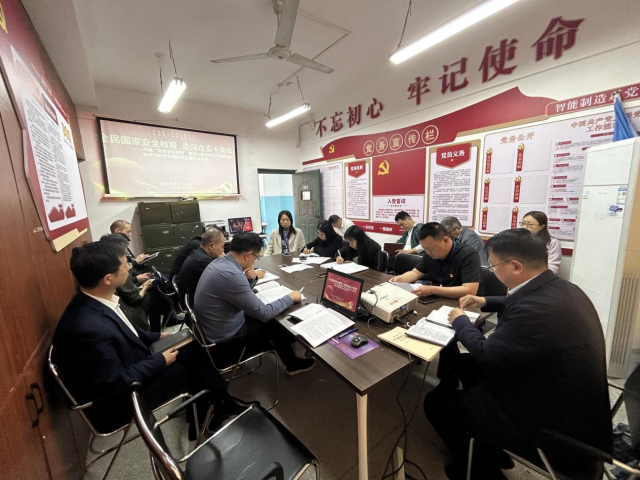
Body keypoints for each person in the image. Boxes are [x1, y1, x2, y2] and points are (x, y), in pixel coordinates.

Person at [424, 229, 611, 479]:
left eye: (493, 266)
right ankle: (489, 446)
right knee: (465, 363)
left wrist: (461, 322)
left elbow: (486, 354)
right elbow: (520, 302)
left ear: (515, 267)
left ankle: (482, 471)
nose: (491, 271)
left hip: (550, 424)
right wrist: (485, 301)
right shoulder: (563, 288)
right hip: (560, 393)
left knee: (436, 404)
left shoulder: (534, 312)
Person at [52, 241, 253, 436]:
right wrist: (160, 360)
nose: (130, 267)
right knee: (190, 369)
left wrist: (158, 336)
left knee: (192, 347)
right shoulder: (86, 328)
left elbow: (130, 332)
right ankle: (210, 414)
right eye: (125, 265)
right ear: (107, 278)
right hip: (120, 399)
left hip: (132, 363)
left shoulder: (98, 299)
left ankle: (219, 404)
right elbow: (115, 383)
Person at [194, 232, 316, 376]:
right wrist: (290, 297)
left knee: (269, 314)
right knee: (272, 322)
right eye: (256, 258)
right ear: (247, 255)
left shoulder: (220, 263)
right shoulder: (232, 275)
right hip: (225, 342)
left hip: (213, 328)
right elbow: (264, 313)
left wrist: (250, 279)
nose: (254, 262)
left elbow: (236, 293)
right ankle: (292, 363)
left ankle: (290, 345)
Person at [101, 234, 173, 332]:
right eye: (125, 248)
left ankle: (166, 318)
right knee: (155, 292)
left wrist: (136, 278)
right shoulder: (116, 270)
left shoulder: (110, 263)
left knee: (156, 283)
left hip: (127, 296)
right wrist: (145, 286)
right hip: (128, 305)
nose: (127, 252)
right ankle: (162, 322)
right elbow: (135, 298)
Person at [390, 222, 481, 299]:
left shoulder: (468, 254)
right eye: (425, 249)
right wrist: (400, 279)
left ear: (445, 241)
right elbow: (415, 273)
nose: (427, 252)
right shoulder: (430, 253)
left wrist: (431, 289)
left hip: (460, 302)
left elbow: (470, 291)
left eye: (431, 249)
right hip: (437, 299)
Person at [178, 228, 264, 304]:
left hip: (195, 299)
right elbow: (237, 287)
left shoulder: (199, 254)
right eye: (221, 246)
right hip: (202, 305)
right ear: (211, 245)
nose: (223, 250)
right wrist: (253, 276)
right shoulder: (205, 262)